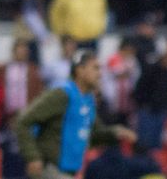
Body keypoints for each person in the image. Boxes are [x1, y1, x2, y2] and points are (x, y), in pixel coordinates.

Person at [14, 50, 137, 179]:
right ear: (80, 70)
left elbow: (92, 136)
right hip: (50, 169)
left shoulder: (88, 99)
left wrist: (116, 133)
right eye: (95, 68)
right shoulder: (61, 94)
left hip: (69, 172)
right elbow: (23, 121)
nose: (100, 74)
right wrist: (33, 157)